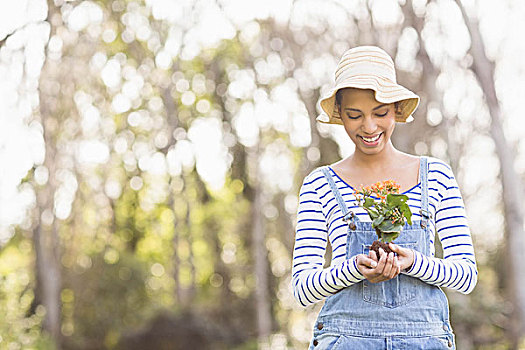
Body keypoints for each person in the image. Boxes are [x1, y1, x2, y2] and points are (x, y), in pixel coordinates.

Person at [291, 46, 477, 350]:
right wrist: (354, 269)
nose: (369, 127)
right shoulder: (319, 185)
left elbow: (466, 277)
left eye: (380, 113)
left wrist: (413, 262)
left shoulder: (436, 176)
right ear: (340, 114)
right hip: (345, 341)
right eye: (355, 115)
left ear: (395, 110)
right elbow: (302, 290)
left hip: (425, 340)